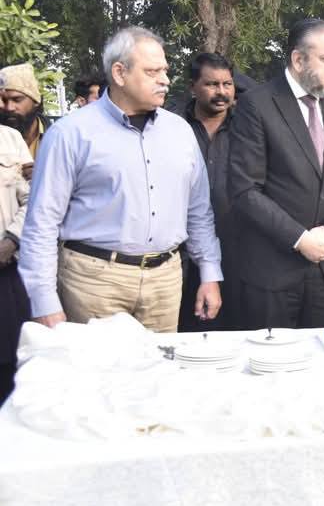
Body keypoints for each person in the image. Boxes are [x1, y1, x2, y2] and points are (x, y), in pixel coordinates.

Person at [19, 26, 222, 332]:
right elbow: (42, 222)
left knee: (158, 363)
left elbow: (198, 210)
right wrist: (43, 301)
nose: (165, 80)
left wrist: (209, 272)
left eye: (165, 71)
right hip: (93, 282)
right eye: (152, 71)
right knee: (99, 365)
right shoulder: (71, 134)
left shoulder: (180, 132)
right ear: (119, 73)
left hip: (165, 281)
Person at [229, 18, 324, 330]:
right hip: (272, 271)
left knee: (322, 358)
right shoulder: (257, 105)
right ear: (298, 60)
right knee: (271, 358)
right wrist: (300, 238)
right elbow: (245, 190)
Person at [173, 52, 238, 332]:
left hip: (237, 248)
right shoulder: (172, 127)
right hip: (181, 252)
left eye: (227, 84)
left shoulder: (248, 127)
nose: (221, 92)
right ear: (193, 87)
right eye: (212, 84)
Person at [0, 124, 32, 403]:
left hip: (5, 271)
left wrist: (11, 240)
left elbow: (33, 197)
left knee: (11, 366)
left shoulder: (9, 139)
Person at [0, 64, 49, 160]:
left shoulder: (58, 136)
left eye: (17, 100)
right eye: (4, 101)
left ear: (36, 101)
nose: (9, 108)